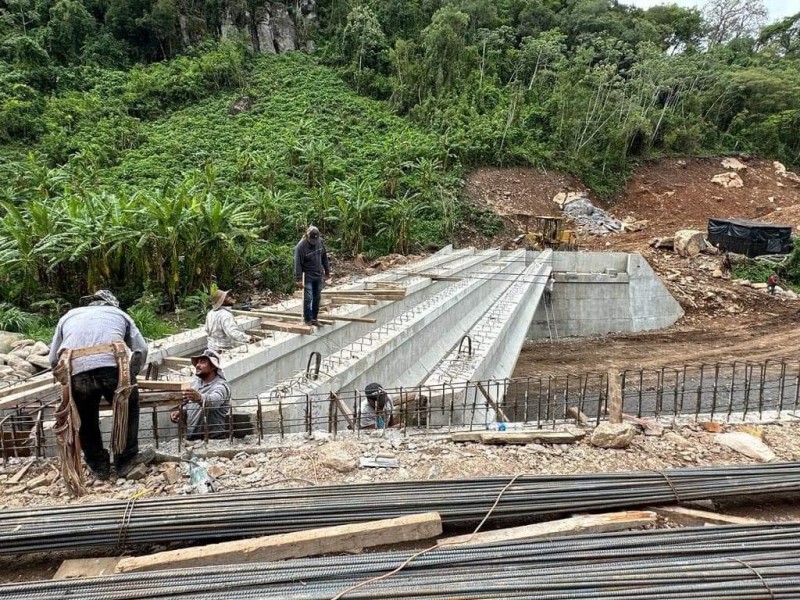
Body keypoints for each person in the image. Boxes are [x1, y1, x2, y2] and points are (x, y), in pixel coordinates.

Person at [49, 290, 153, 491]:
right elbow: (141, 349)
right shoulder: (119, 314)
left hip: (78, 372)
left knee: (86, 418)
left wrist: (65, 381)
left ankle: (99, 465)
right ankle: (126, 460)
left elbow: (53, 358)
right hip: (113, 368)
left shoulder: (68, 316)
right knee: (128, 409)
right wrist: (131, 376)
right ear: (110, 304)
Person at [171, 348, 231, 441]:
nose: (198, 365)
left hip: (212, 440)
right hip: (192, 438)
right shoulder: (196, 384)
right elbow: (190, 406)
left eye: (202, 362)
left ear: (213, 367)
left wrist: (199, 397)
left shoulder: (221, 386)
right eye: (197, 362)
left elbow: (214, 401)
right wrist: (181, 412)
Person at [294, 225, 330, 326]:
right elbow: (297, 264)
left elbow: (324, 257)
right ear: (307, 236)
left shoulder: (319, 242)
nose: (313, 242)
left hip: (318, 275)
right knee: (308, 298)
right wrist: (299, 279)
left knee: (317, 297)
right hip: (308, 276)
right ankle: (308, 319)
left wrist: (327, 270)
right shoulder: (300, 247)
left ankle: (314, 318)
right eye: (311, 240)